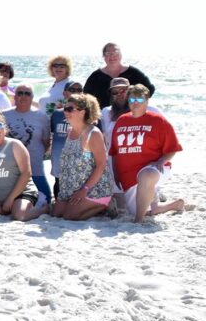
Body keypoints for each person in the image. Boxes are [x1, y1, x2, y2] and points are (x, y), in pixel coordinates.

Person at [109, 84, 183, 222]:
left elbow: (172, 148)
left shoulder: (158, 120)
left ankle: (138, 221)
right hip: (128, 176)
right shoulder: (122, 120)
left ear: (147, 100)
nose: (135, 103)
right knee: (147, 211)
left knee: (146, 176)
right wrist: (116, 174)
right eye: (131, 100)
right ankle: (176, 204)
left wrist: (161, 161)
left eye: (140, 99)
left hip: (154, 169)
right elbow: (114, 151)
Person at [0, 110, 47, 221]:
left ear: (5, 129)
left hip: (20, 193)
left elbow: (26, 174)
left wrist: (10, 199)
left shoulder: (14, 144)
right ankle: (9, 209)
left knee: (20, 215)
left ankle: (44, 209)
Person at [52, 94, 113, 221]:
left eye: (70, 109)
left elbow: (101, 165)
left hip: (91, 189)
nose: (66, 112)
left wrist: (84, 190)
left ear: (82, 112)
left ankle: (105, 205)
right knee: (56, 214)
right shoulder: (70, 131)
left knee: (70, 216)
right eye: (65, 109)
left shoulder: (93, 133)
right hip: (69, 188)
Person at [4, 83, 52, 202]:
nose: (23, 96)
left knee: (46, 200)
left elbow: (46, 143)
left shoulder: (42, 116)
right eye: (20, 93)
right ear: (14, 96)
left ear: (32, 97)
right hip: (10, 171)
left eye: (27, 93)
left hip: (35, 169)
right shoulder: (3, 115)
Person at [84, 43, 155, 110]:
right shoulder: (95, 76)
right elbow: (86, 97)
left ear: (121, 54)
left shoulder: (134, 73)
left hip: (131, 115)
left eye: (115, 52)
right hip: (103, 117)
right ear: (104, 56)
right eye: (108, 53)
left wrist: (138, 107)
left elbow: (149, 89)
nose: (112, 56)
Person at [49, 81, 85, 193]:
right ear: (65, 93)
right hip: (59, 160)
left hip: (79, 162)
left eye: (79, 90)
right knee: (59, 186)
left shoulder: (87, 114)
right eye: (72, 90)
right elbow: (51, 135)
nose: (76, 92)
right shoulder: (56, 114)